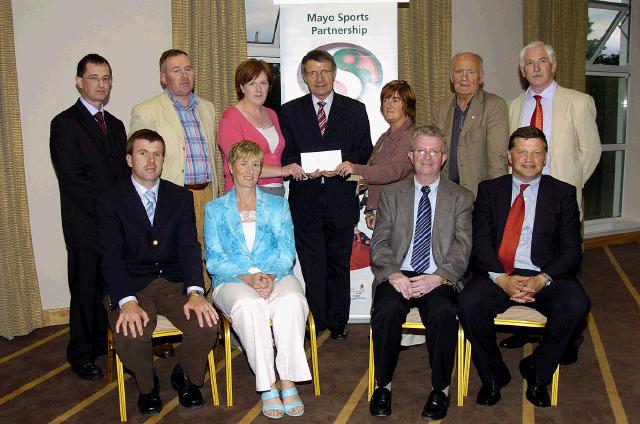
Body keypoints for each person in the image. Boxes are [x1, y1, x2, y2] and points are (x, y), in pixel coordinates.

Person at [458, 127, 590, 408]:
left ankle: (539, 371)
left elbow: (571, 250)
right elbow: (479, 242)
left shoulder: (563, 193)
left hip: (545, 274)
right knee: (468, 303)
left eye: (536, 153)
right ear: (509, 156)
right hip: (499, 272)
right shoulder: (489, 190)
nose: (529, 159)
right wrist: (501, 279)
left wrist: (543, 279)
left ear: (545, 157)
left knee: (577, 304)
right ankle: (494, 375)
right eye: (522, 152)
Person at [97, 129, 219, 417]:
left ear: (163, 159)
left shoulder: (179, 197)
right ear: (129, 159)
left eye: (157, 154)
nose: (151, 161)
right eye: (143, 153)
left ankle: (186, 376)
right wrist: (126, 301)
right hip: (131, 284)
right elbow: (110, 256)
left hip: (173, 283)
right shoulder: (110, 199)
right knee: (131, 331)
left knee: (205, 324)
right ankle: (147, 385)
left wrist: (195, 291)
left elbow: (190, 247)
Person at [368, 125, 474, 420]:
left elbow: (462, 248)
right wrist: (393, 275)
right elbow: (380, 243)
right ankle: (383, 385)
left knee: (442, 313)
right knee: (387, 311)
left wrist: (438, 278)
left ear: (443, 158)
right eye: (421, 150)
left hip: (438, 276)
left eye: (434, 151)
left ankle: (441, 388)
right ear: (411, 155)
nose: (427, 156)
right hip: (399, 273)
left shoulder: (461, 197)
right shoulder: (392, 194)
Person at [503, 40, 601, 353]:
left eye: (541, 61)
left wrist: (566, 189)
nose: (535, 67)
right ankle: (524, 325)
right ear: (522, 70)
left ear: (553, 65)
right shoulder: (514, 106)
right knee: (521, 262)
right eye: (529, 63)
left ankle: (567, 335)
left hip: (560, 203)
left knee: (563, 267)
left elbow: (591, 151)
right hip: (522, 200)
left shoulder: (578, 102)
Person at [204, 141, 311, 419]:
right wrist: (249, 278)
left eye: (255, 164)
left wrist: (269, 275)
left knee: (293, 300)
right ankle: (267, 386)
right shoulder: (215, 209)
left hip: (275, 273)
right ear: (230, 167)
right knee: (250, 307)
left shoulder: (277, 205)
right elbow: (214, 259)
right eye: (243, 163)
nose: (250, 170)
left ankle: (287, 380)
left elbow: (287, 250)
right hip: (232, 279)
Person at [130, 48, 219, 357]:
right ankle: (163, 333)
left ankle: (202, 319)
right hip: (169, 200)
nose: (185, 75)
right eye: (177, 70)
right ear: (163, 77)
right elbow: (141, 161)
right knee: (169, 259)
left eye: (189, 69)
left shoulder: (207, 107)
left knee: (204, 258)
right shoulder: (147, 109)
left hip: (206, 194)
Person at [280, 49, 373, 340]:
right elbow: (286, 152)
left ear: (334, 74)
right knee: (312, 265)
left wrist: (344, 165)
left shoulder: (355, 110)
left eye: (325, 71)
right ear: (304, 77)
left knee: (338, 263)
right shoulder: (290, 111)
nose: (319, 78)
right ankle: (316, 321)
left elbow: (364, 150)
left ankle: (338, 321)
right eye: (312, 73)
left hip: (341, 199)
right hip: (305, 199)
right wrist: (302, 167)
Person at [50, 53, 129, 380]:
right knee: (84, 290)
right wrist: (109, 212)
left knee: (109, 289)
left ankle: (103, 345)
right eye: (94, 77)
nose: (101, 84)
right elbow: (73, 180)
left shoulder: (116, 124)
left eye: (106, 78)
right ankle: (80, 353)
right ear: (79, 81)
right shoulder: (65, 123)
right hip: (84, 225)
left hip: (114, 226)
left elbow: (124, 176)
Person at [335, 80, 416, 230]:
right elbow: (374, 173)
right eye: (385, 100)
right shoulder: (386, 136)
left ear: (407, 104)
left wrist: (356, 169)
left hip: (398, 211)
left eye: (395, 100)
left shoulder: (410, 135)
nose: (388, 105)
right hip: (383, 209)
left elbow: (393, 172)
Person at [218, 59, 305, 196]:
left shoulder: (272, 114)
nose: (259, 89)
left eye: (263, 83)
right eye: (252, 84)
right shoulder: (230, 118)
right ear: (242, 87)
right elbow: (240, 165)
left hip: (277, 191)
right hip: (245, 193)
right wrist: (282, 171)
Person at [432, 52, 509, 196]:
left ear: (481, 77)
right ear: (451, 76)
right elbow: (435, 156)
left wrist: (494, 201)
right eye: (459, 71)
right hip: (445, 195)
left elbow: (497, 161)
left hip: (479, 196)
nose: (464, 78)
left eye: (471, 72)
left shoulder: (494, 106)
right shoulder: (440, 109)